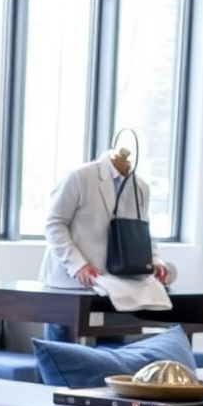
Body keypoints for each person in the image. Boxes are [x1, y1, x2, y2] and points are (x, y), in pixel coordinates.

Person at [38, 140, 172, 341]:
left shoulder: (141, 187)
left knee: (115, 344)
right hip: (71, 278)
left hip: (118, 279)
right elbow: (54, 224)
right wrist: (78, 265)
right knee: (61, 344)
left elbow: (142, 231)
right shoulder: (80, 177)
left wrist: (154, 260)